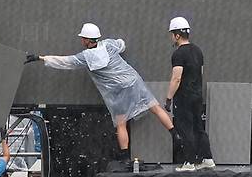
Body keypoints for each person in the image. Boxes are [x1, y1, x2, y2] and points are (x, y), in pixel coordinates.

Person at [25, 22, 180, 165]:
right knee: (155, 107)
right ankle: (175, 134)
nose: (81, 41)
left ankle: (126, 158)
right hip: (133, 81)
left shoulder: (85, 57)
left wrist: (40, 58)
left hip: (117, 92)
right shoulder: (109, 45)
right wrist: (117, 43)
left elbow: (64, 62)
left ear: (86, 40)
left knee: (121, 124)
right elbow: (122, 45)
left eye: (82, 38)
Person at [164, 17, 215, 172]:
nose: (171, 37)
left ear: (177, 35)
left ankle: (189, 162)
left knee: (186, 128)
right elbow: (200, 73)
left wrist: (168, 98)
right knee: (199, 127)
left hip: (184, 97)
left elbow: (176, 78)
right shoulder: (198, 51)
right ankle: (207, 159)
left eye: (172, 34)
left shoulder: (178, 54)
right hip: (197, 96)